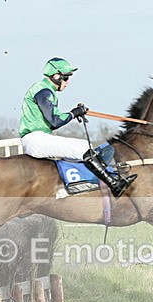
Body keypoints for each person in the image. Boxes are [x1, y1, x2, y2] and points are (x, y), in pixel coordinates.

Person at [19, 57, 136, 197]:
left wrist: (75, 113)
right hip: (36, 139)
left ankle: (70, 188)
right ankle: (114, 184)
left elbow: (53, 120)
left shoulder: (44, 90)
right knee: (84, 147)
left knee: (80, 154)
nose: (68, 82)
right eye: (66, 78)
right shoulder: (44, 91)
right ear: (56, 76)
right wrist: (74, 113)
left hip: (38, 138)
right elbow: (54, 121)